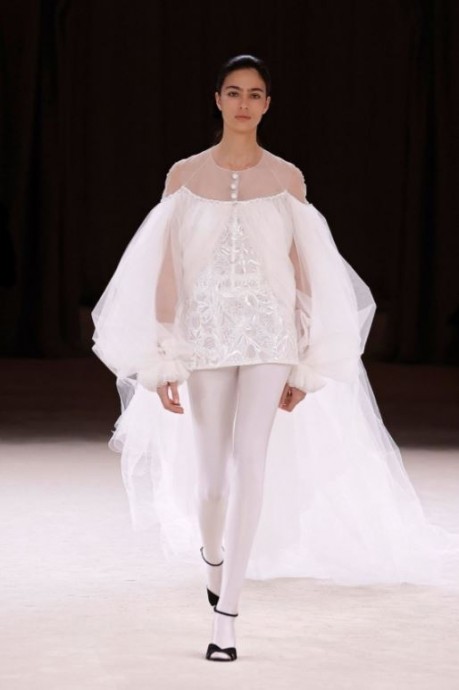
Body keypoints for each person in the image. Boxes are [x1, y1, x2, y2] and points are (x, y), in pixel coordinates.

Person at [91, 55, 459, 662]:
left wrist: (307, 358)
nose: (244, 103)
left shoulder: (288, 179)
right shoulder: (184, 175)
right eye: (234, 92)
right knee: (212, 480)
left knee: (251, 462)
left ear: (267, 104)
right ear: (217, 99)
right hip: (205, 335)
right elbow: (166, 268)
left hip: (270, 335)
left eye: (255, 94)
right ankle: (213, 559)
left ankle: (228, 616)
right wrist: (164, 352)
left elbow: (304, 269)